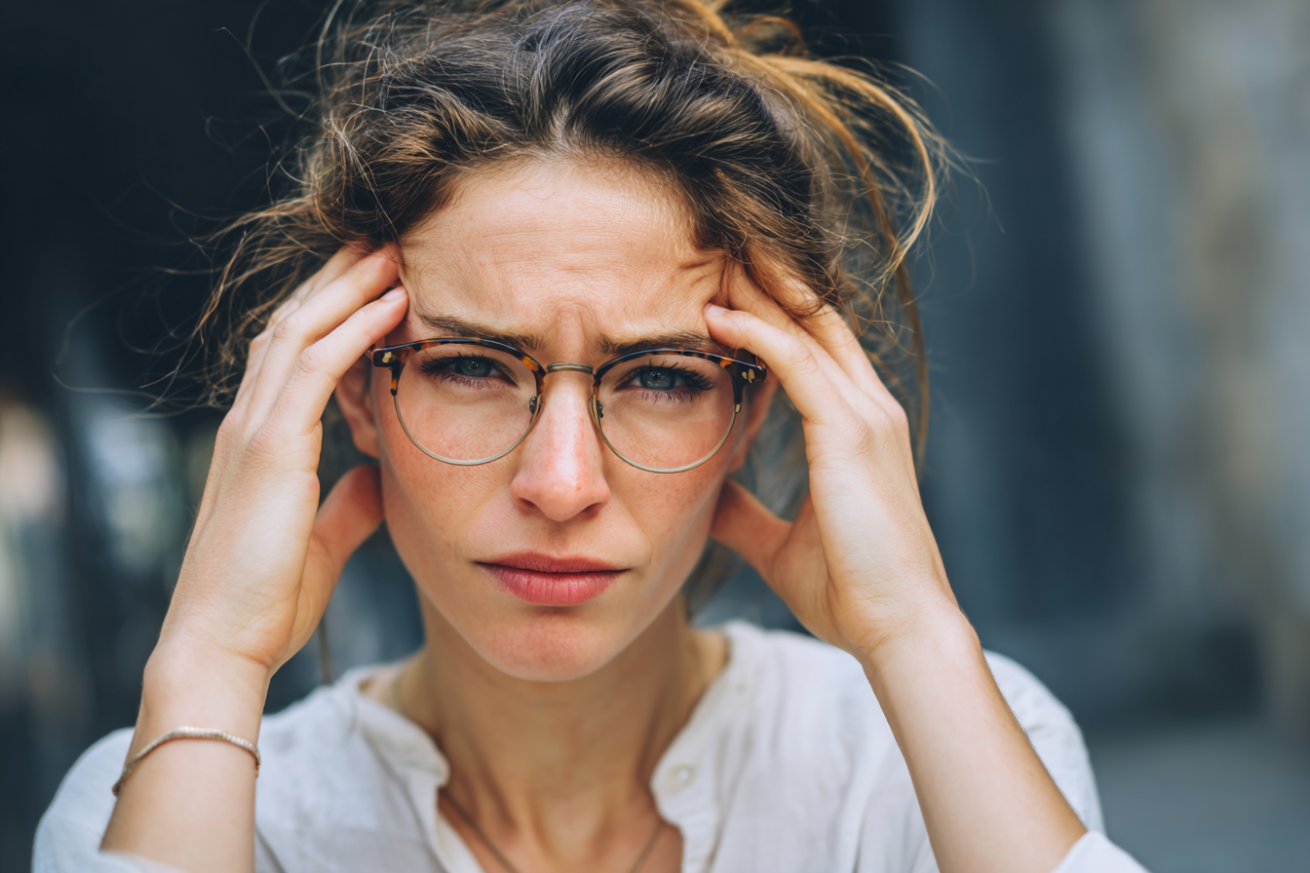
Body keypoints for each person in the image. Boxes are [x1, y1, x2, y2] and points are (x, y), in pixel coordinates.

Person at [35, 1, 1150, 871]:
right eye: (470, 365)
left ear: (756, 407)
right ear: (350, 393)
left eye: (660, 377)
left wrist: (912, 634)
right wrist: (210, 668)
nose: (561, 483)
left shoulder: (920, 766)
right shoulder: (167, 807)